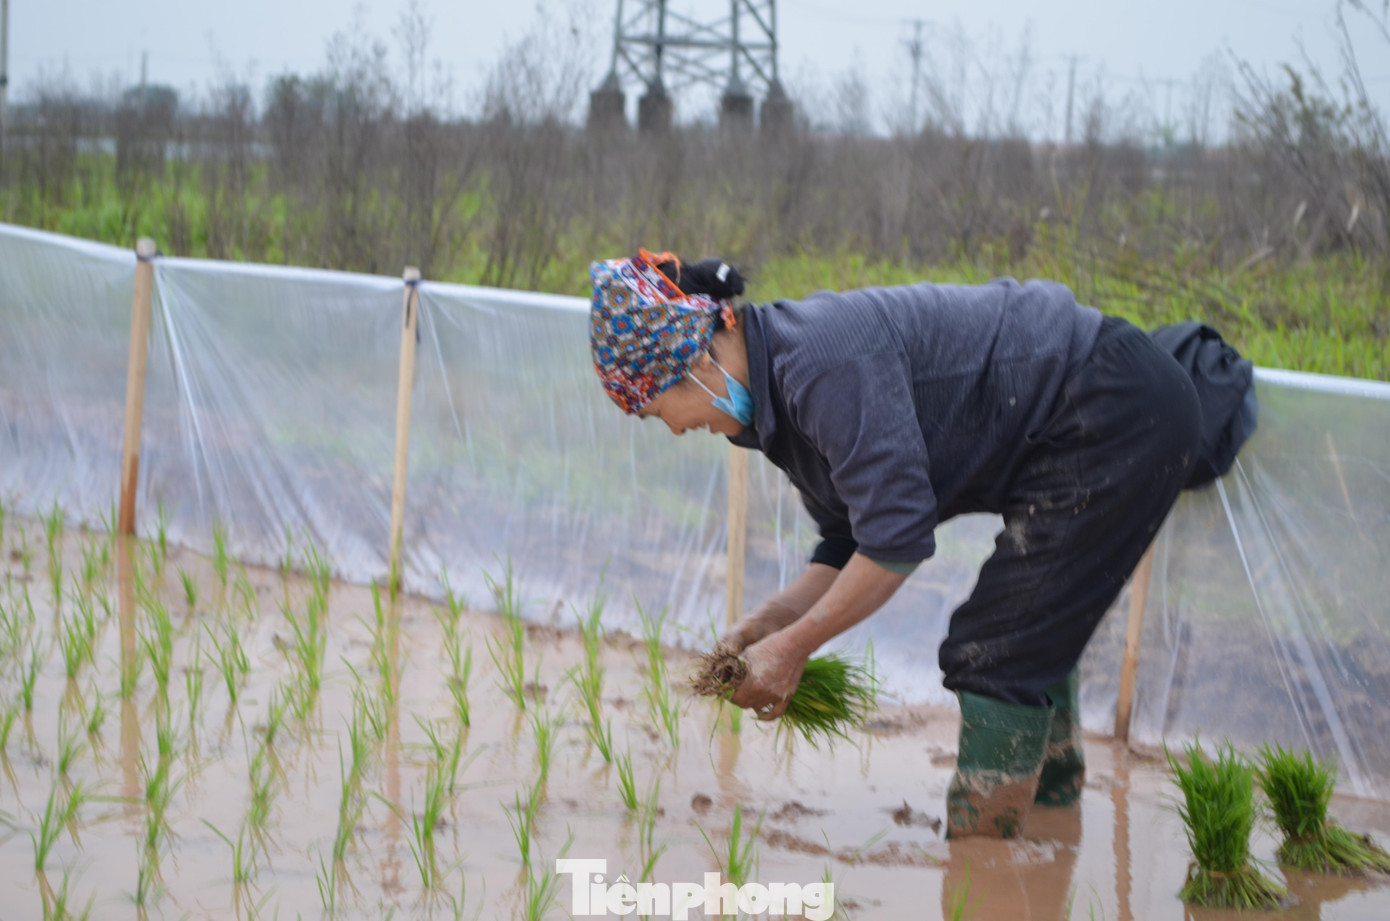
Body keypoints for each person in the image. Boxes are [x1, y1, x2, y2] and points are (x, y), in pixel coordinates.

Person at [588, 249, 1250, 839]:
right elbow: (850, 538)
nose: (673, 429)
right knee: (1028, 628)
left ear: (693, 364)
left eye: (655, 411)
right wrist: (773, 619)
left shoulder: (818, 364)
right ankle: (1050, 817)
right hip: (1074, 425)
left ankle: (986, 861)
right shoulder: (772, 404)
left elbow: (896, 542)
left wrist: (793, 649)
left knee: (996, 648)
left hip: (1114, 407)